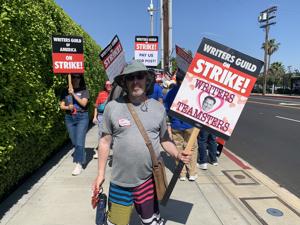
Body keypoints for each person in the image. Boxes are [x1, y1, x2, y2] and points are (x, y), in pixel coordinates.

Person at [92, 60, 191, 225]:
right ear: (124, 82)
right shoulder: (112, 107)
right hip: (119, 181)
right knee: (117, 222)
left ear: (147, 79)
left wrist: (177, 153)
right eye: (131, 78)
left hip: (147, 181)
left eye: (139, 76)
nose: (135, 81)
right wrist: (100, 174)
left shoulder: (158, 108)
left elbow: (164, 139)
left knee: (150, 221)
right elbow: (104, 142)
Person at [164, 70, 198, 181]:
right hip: (190, 124)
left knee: (178, 149)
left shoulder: (171, 92)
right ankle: (192, 173)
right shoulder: (191, 91)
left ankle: (182, 174)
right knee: (191, 148)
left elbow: (167, 109)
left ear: (176, 80)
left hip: (176, 125)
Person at [60, 74, 89, 176]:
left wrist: (73, 94)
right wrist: (68, 108)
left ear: (81, 79)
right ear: (70, 79)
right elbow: (62, 106)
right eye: (74, 77)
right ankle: (82, 153)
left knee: (80, 141)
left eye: (78, 77)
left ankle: (78, 164)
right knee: (74, 140)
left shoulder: (84, 90)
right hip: (70, 118)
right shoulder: (65, 91)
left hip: (82, 117)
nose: (76, 79)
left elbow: (84, 103)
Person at [93, 80, 112, 159]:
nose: (108, 86)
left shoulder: (115, 94)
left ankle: (107, 152)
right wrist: (94, 117)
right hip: (101, 116)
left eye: (110, 85)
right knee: (101, 133)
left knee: (110, 135)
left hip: (111, 116)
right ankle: (99, 152)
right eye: (107, 85)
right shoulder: (101, 94)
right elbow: (96, 106)